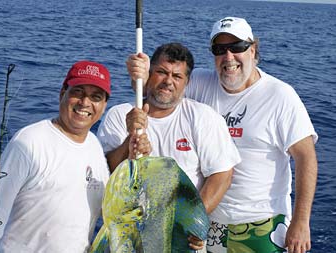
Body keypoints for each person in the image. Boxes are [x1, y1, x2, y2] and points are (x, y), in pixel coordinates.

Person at [127, 18, 318, 253]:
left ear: (253, 49)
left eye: (237, 47)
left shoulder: (280, 96)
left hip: (261, 224)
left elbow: (306, 157)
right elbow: (162, 91)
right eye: (219, 50)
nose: (228, 57)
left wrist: (301, 222)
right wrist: (140, 75)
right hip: (209, 225)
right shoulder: (200, 83)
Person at [97, 42, 241, 251]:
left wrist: (190, 222)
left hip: (180, 239)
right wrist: (129, 142)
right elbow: (107, 173)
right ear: (148, 75)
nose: (168, 81)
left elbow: (222, 175)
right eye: (161, 72)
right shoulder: (120, 115)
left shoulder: (202, 117)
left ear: (187, 82)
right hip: (129, 235)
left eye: (177, 76)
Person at [0, 60, 112, 253]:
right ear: (62, 93)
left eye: (95, 96)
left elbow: (109, 206)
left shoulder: (93, 145)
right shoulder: (29, 142)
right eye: (78, 92)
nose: (85, 103)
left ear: (104, 105)